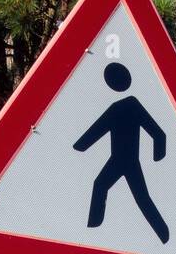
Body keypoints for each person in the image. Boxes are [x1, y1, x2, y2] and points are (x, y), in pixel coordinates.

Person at [73, 63, 170, 243]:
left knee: (131, 195)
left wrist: (158, 155)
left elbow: (157, 133)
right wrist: (80, 146)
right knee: (104, 186)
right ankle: (164, 236)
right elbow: (96, 131)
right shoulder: (124, 106)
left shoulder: (126, 106)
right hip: (121, 160)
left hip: (126, 160)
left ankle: (164, 235)